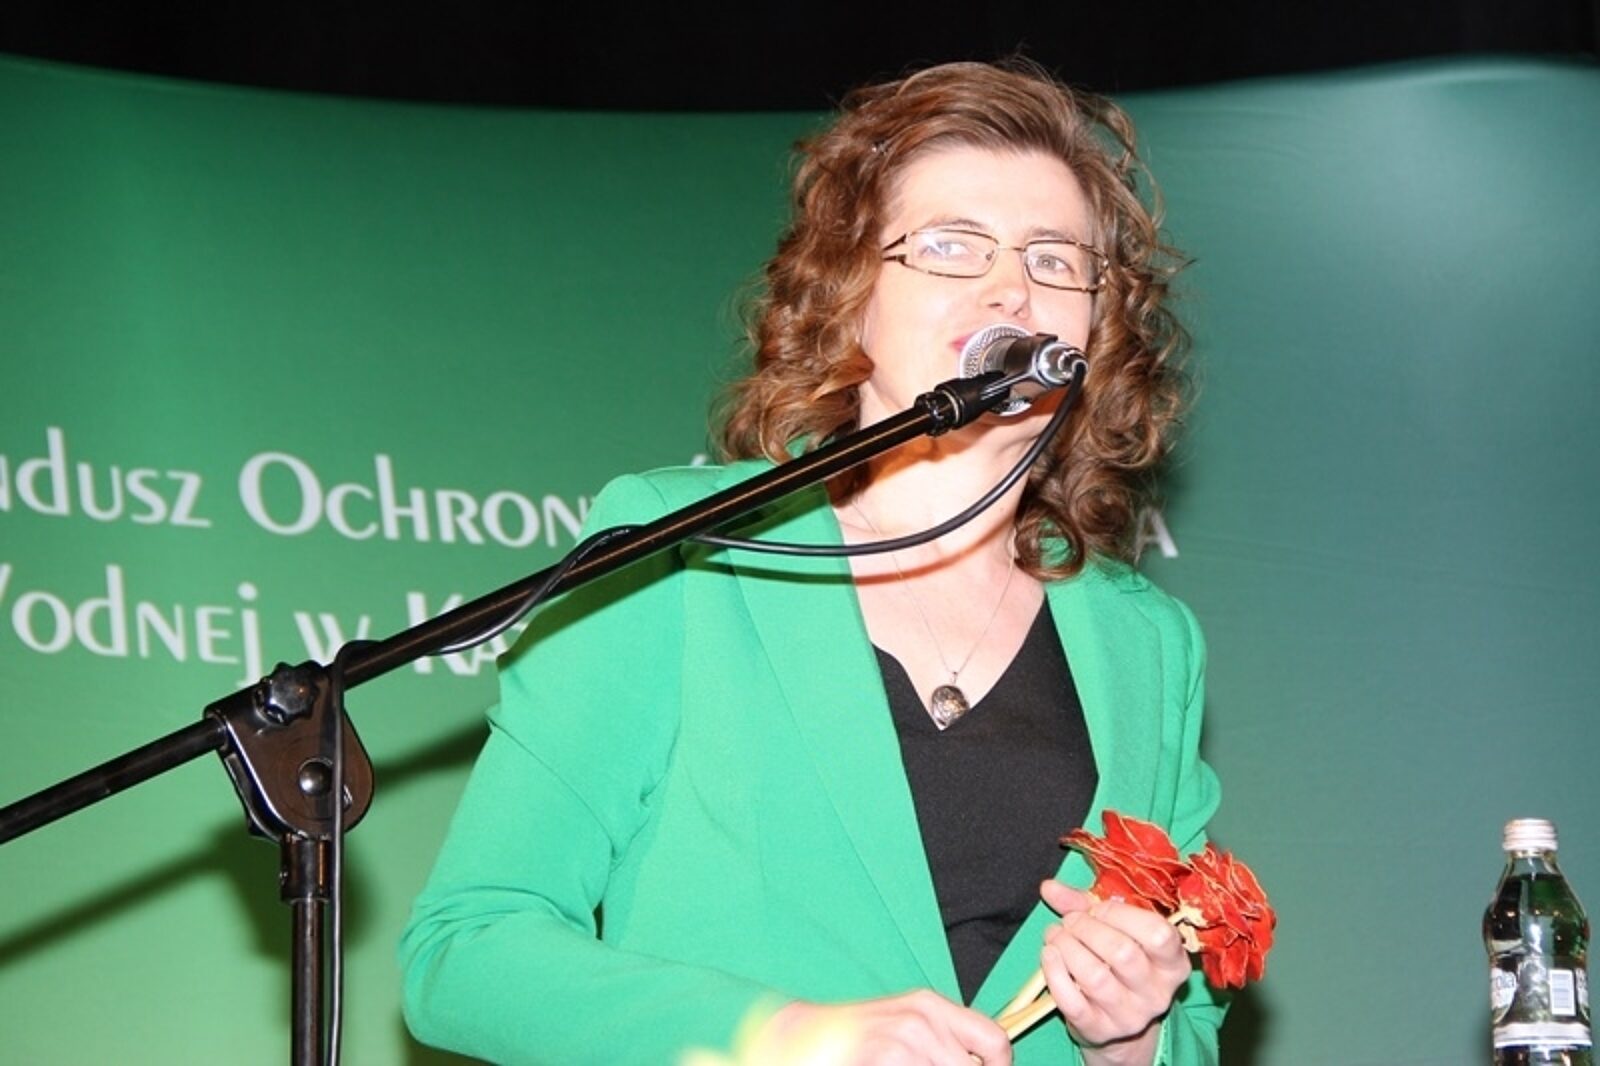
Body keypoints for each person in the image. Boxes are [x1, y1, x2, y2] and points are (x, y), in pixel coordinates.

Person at [401, 58, 1222, 1066]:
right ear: (850, 291)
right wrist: (782, 1038)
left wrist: (1132, 1035)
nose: (1011, 286)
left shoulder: (1148, 642)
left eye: (1055, 260)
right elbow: (467, 951)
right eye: (952, 245)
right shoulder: (679, 552)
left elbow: (1190, 1034)